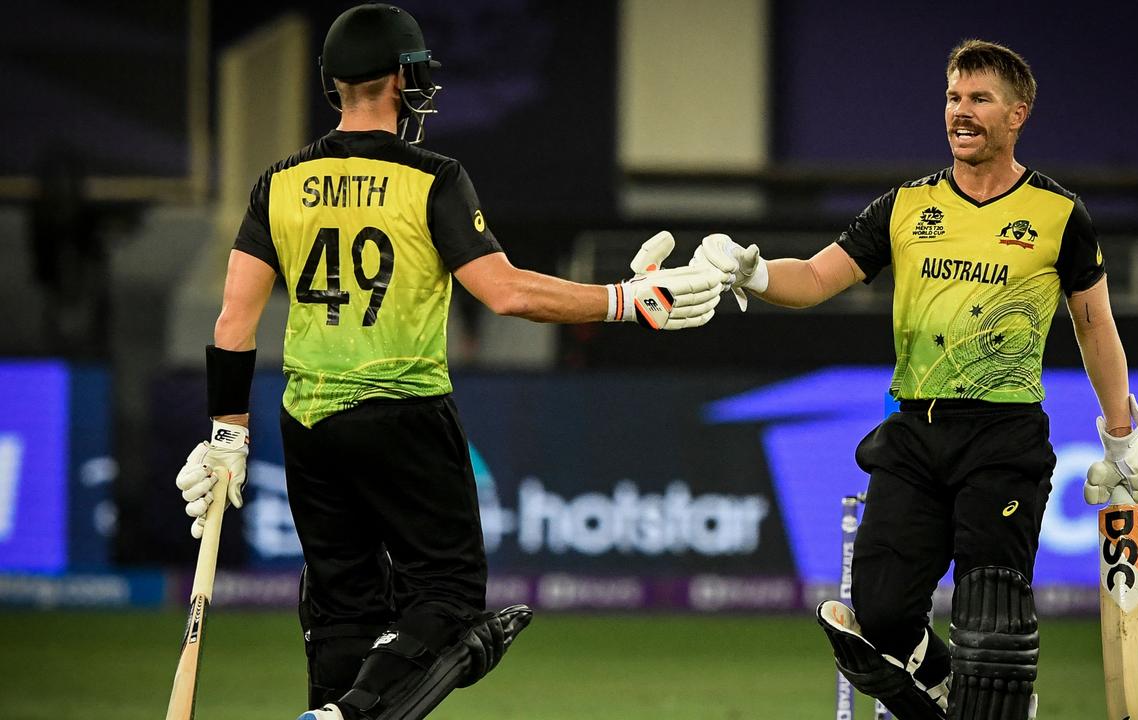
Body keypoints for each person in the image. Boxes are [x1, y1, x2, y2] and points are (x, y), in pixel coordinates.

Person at [172, 5, 729, 720]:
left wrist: (226, 434)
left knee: (343, 609)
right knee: (450, 599)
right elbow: (505, 293)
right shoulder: (432, 178)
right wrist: (626, 300)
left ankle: (330, 708)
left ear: (334, 83)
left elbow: (233, 321)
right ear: (403, 78)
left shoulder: (278, 182)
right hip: (403, 412)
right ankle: (349, 715)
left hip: (308, 422)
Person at [695, 40, 1138, 719]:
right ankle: (944, 689)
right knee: (880, 613)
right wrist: (755, 271)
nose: (960, 112)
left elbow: (1095, 326)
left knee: (990, 622)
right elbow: (819, 277)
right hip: (915, 432)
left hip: (1004, 438)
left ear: (1017, 114)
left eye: (979, 99)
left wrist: (1122, 439)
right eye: (952, 97)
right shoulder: (905, 206)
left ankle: (991, 693)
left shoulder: (1060, 214)